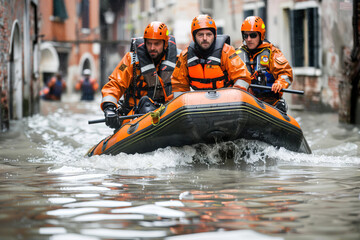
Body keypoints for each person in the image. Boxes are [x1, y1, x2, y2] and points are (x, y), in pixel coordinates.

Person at [101, 21, 180, 129]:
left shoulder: (178, 59)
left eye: (156, 44)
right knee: (146, 103)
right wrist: (109, 108)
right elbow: (115, 84)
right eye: (149, 43)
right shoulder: (131, 59)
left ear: (165, 44)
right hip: (135, 115)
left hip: (167, 114)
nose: (152, 48)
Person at [170, 14, 252, 95]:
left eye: (209, 34)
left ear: (214, 35)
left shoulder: (227, 51)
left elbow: (242, 77)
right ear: (194, 37)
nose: (205, 38)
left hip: (226, 100)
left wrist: (234, 97)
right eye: (200, 35)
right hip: (198, 101)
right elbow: (178, 84)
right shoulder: (185, 56)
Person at [235, 16, 293, 113]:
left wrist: (280, 83)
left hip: (269, 103)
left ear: (261, 35)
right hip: (245, 102)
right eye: (246, 36)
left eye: (253, 35)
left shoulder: (272, 52)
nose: (249, 39)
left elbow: (286, 73)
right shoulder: (237, 54)